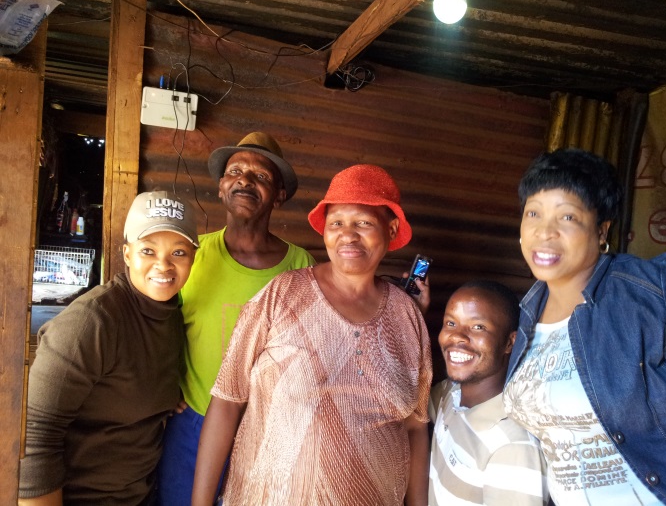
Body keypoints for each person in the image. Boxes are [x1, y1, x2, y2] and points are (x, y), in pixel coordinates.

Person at [192, 164, 433, 506]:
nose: (348, 235)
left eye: (363, 223)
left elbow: (416, 426)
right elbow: (227, 401)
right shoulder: (280, 295)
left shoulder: (407, 315)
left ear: (391, 229)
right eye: (337, 223)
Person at [503, 148, 666, 506]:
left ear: (602, 230)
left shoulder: (654, 294)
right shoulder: (529, 311)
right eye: (533, 213)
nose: (544, 232)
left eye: (567, 216)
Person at [155, 132, 315, 505]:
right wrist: (163, 384)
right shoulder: (191, 255)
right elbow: (156, 324)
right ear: (221, 187)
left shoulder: (300, 266)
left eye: (261, 176)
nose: (245, 180)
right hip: (193, 420)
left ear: (278, 195)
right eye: (235, 171)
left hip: (268, 431)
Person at [19, 190, 199, 505]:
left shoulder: (172, 318)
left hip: (141, 495)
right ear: (127, 254)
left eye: (179, 252)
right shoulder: (92, 322)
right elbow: (35, 434)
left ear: (193, 259)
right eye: (148, 250)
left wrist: (169, 396)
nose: (164, 265)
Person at [429, 280, 548, 506]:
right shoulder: (450, 394)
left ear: (509, 343)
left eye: (478, 327)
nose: (457, 336)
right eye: (451, 323)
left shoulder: (512, 444)